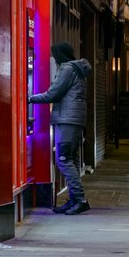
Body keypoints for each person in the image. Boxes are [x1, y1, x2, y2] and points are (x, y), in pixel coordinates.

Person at [29, 42, 92, 214]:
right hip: (73, 119)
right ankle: (74, 200)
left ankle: (80, 200)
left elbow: (53, 94)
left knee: (63, 160)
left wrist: (29, 98)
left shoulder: (67, 69)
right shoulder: (77, 69)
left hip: (67, 120)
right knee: (70, 159)